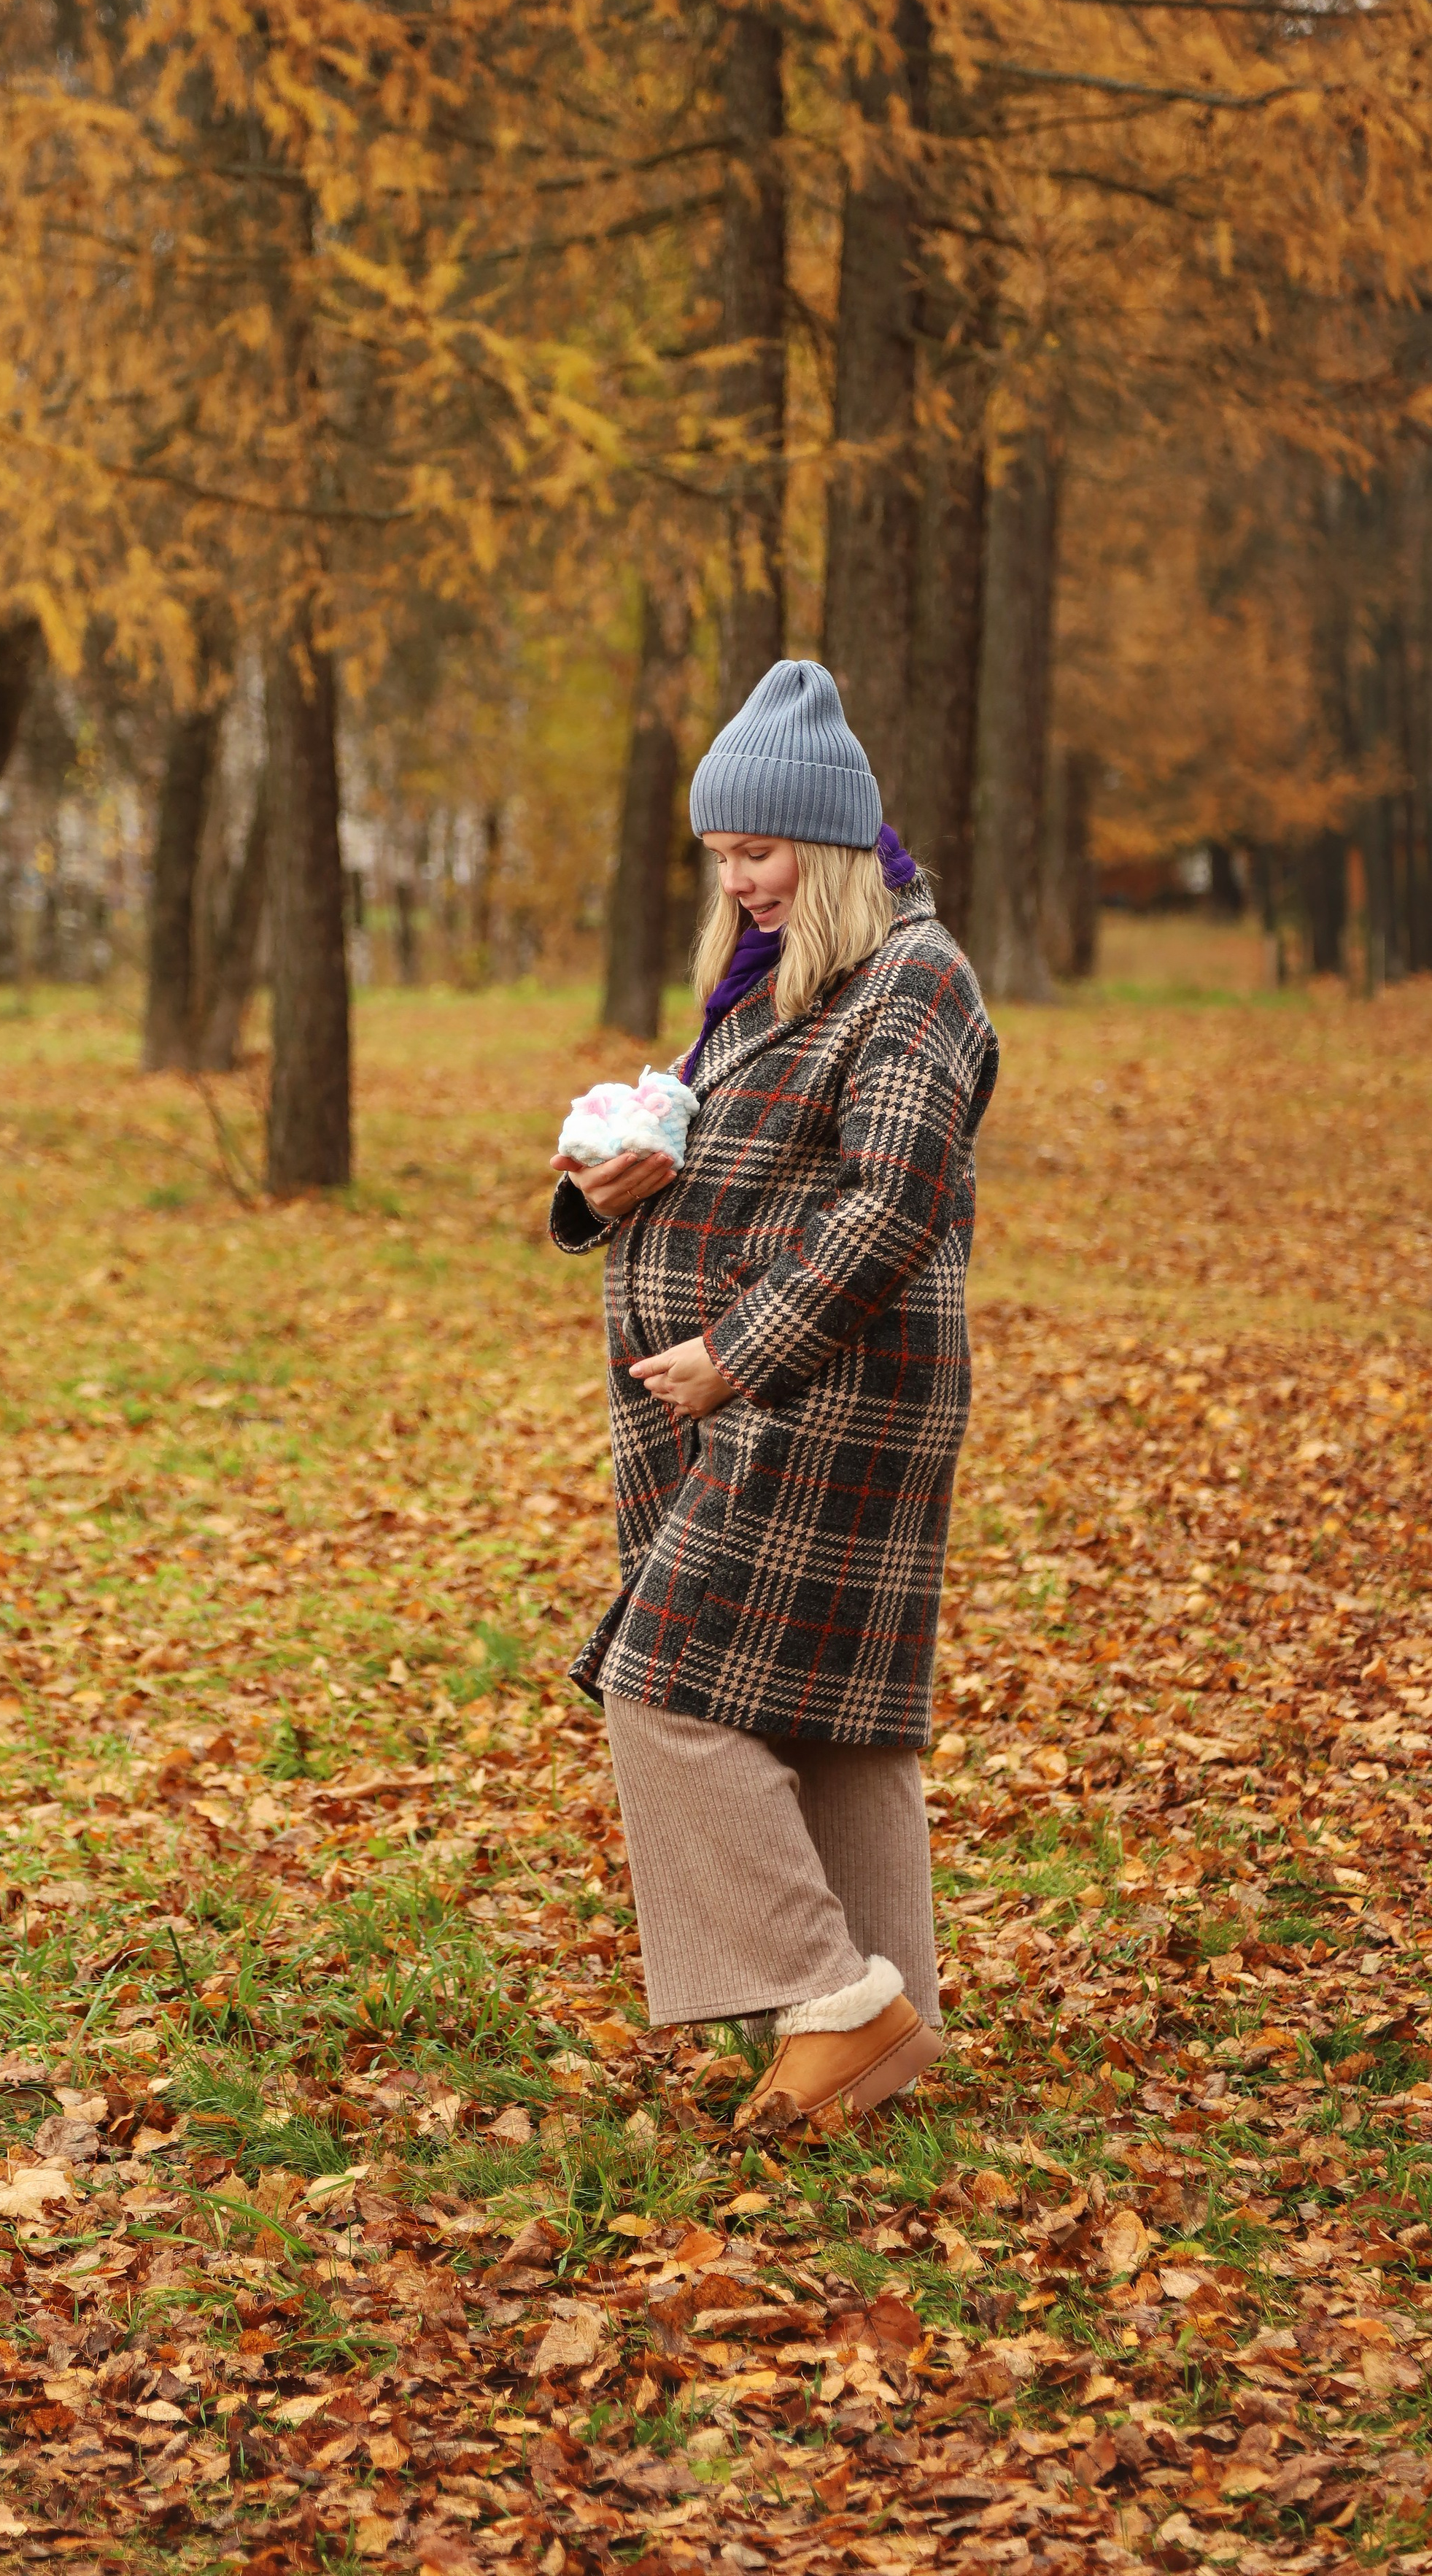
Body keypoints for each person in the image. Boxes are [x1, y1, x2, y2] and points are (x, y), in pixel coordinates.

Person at [549, 658, 999, 2132]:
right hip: (754, 1394)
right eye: (719, 855)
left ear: (828, 844)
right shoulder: (765, 986)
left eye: (756, 851)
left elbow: (894, 1198)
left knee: (662, 1681)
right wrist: (601, 1193)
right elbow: (719, 1157)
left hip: (827, 1393)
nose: (735, 880)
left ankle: (828, 1999)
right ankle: (885, 2022)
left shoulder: (913, 978)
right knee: (829, 1716)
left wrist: (739, 1350)